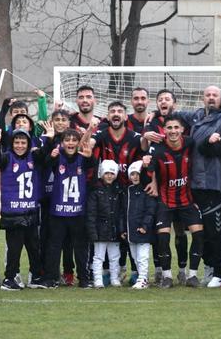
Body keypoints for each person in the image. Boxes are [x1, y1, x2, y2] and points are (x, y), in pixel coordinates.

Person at [176, 78, 221, 287]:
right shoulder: (196, 116)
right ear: (202, 98)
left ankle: (219, 272)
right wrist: (160, 113)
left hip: (212, 184)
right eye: (208, 95)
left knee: (215, 231)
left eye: (216, 95)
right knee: (200, 231)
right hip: (193, 183)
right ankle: (208, 267)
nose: (212, 98)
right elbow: (176, 115)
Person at [144, 114, 206, 288]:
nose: (173, 131)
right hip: (166, 200)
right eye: (169, 128)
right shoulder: (158, 149)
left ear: (182, 130)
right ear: (164, 130)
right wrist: (153, 181)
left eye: (176, 127)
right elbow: (150, 171)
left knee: (198, 234)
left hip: (187, 200)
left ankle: (191, 275)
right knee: (163, 238)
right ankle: (167, 276)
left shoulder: (190, 143)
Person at [86, 101, 142, 284]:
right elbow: (87, 146)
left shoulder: (134, 137)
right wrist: (89, 132)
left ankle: (134, 271)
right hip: (106, 192)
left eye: (119, 111)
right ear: (107, 116)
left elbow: (146, 155)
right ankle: (107, 273)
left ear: (126, 116)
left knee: (127, 232)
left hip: (128, 193)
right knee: (107, 233)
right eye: (112, 111)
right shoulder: (101, 135)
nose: (116, 114)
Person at [141, 88, 190, 284]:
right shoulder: (151, 123)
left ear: (174, 104)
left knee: (180, 230)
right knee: (160, 230)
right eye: (160, 99)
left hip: (179, 187)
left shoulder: (182, 121)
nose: (163, 102)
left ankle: (183, 269)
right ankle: (161, 269)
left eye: (167, 99)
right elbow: (146, 150)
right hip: (158, 186)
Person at [37, 128, 94, 289]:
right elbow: (46, 163)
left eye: (74, 140)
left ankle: (83, 278)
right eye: (67, 140)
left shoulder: (84, 158)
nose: (70, 143)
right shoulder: (57, 157)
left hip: (78, 211)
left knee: (80, 247)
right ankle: (51, 278)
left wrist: (90, 156)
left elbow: (93, 164)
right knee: (54, 246)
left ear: (78, 143)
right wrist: (50, 152)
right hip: (58, 211)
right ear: (62, 143)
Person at [0, 128, 45, 290]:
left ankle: (35, 277)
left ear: (28, 144)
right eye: (16, 142)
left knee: (34, 247)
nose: (20, 145)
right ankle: (9, 279)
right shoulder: (7, 157)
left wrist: (48, 138)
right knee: (14, 250)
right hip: (13, 213)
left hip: (30, 212)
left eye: (23, 142)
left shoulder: (33, 157)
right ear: (11, 143)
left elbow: (46, 156)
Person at [87, 160, 126, 288]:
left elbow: (121, 212)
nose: (109, 176)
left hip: (114, 229)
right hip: (100, 229)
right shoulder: (96, 191)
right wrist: (92, 232)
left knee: (115, 256)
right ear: (102, 174)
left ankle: (115, 278)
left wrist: (121, 229)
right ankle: (98, 279)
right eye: (107, 173)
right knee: (98, 257)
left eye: (112, 173)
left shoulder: (118, 190)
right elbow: (91, 213)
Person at [125, 160, 157, 289]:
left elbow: (150, 210)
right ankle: (142, 277)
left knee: (142, 256)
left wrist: (145, 225)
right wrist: (124, 228)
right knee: (135, 256)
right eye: (132, 174)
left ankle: (143, 278)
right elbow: (124, 211)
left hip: (143, 230)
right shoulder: (128, 191)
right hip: (131, 230)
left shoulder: (147, 190)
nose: (135, 177)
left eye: (137, 173)